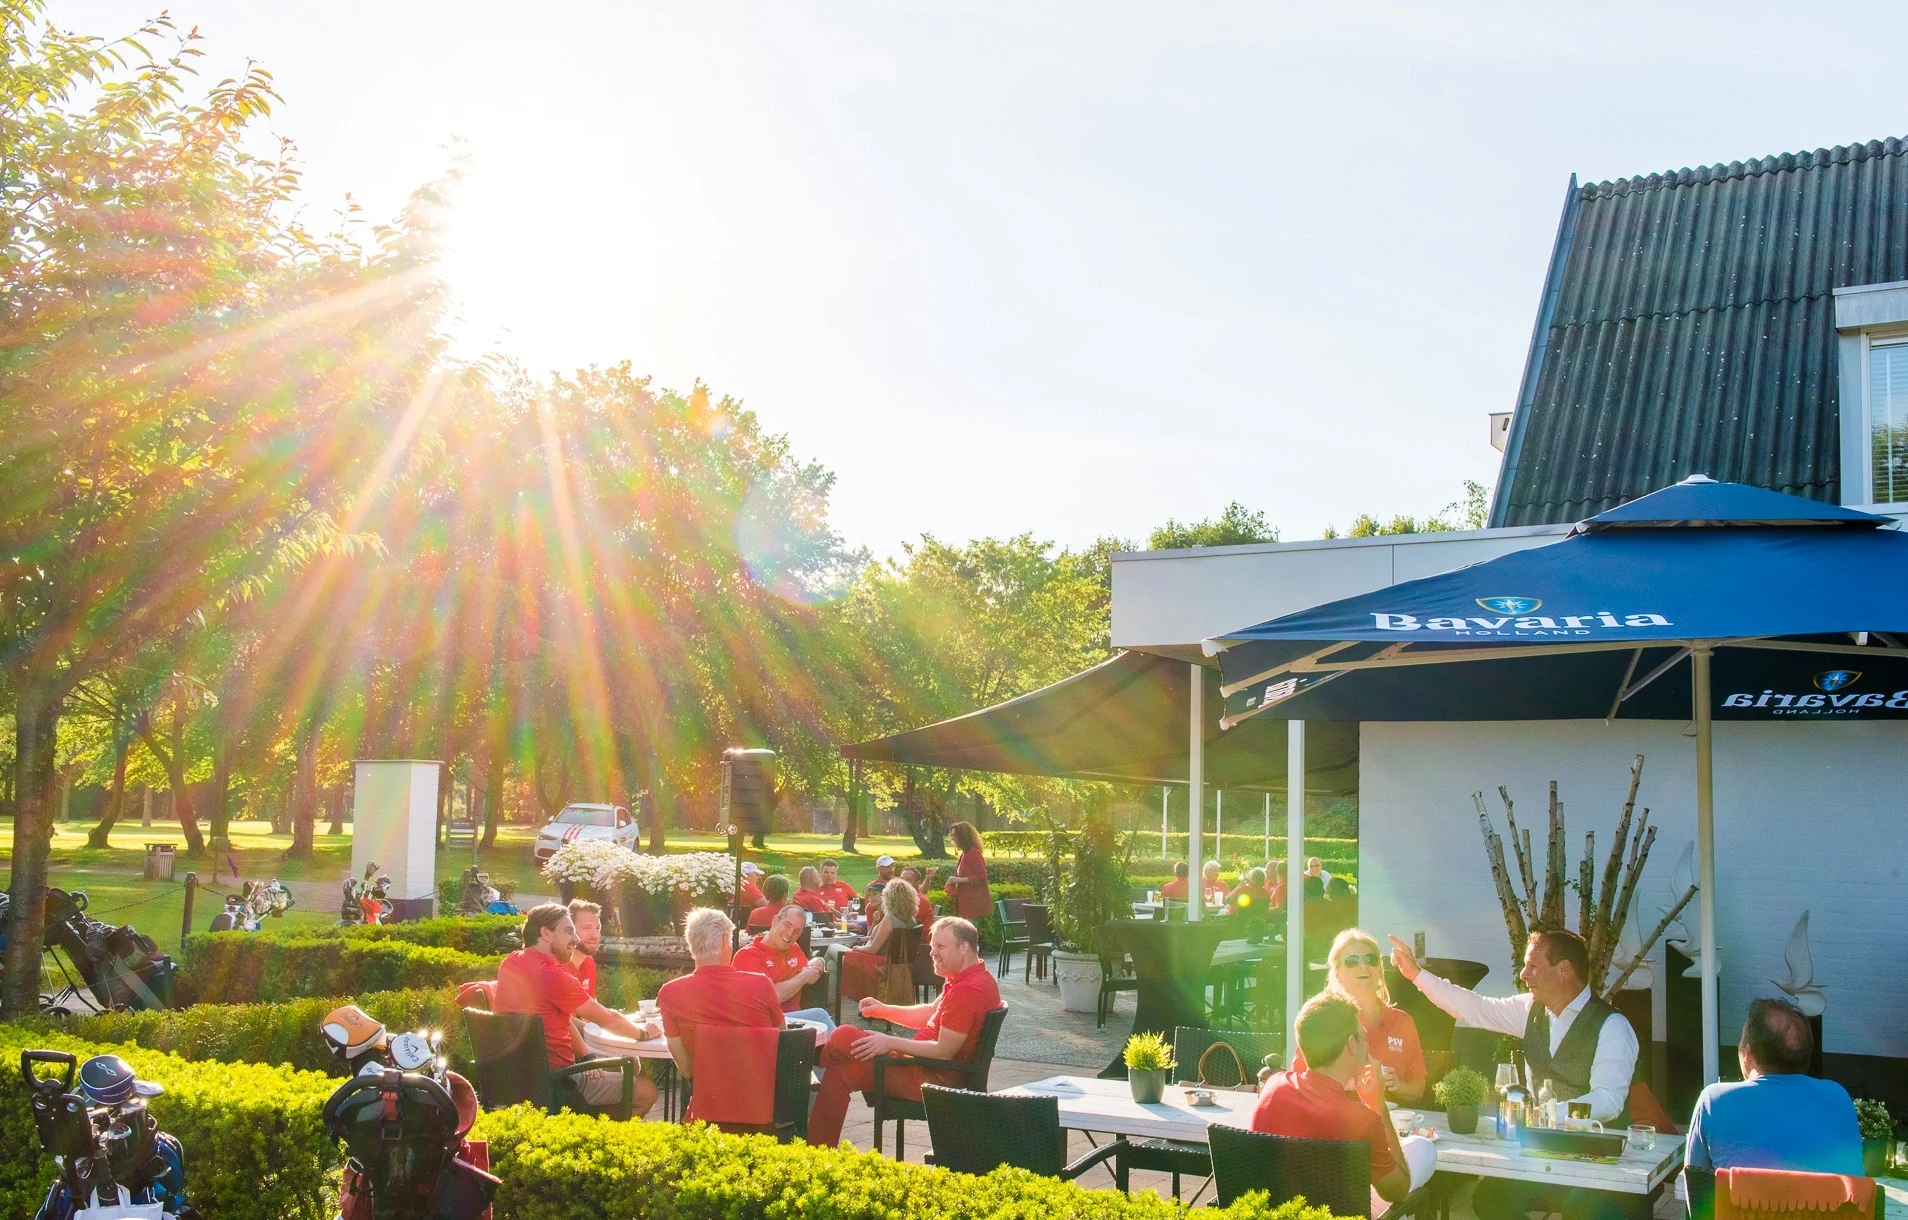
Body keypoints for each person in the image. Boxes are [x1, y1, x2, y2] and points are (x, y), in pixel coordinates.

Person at [1391, 929, 1640, 1220]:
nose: (1524, 974)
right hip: (1542, 1155)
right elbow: (1475, 1009)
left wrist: (1546, 1114)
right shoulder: (1529, 1010)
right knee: (1491, 1197)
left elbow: (1609, 1099)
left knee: (1581, 1208)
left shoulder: (1613, 1026)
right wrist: (1417, 975)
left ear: (1564, 970)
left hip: (1599, 1160)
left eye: (1533, 966)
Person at [807, 916, 1002, 1147]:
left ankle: (811, 1059)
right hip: (927, 1071)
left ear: (964, 948)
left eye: (940, 947)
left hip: (933, 1079)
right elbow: (930, 1012)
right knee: (841, 1072)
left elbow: (943, 1052)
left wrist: (890, 1042)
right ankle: (818, 1150)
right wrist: (884, 1010)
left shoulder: (968, 990)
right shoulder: (971, 979)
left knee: (843, 1035)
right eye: (932, 947)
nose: (931, 954)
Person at [1253, 993, 1435, 1202]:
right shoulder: (1362, 1121)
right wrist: (1379, 1106)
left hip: (1273, 1210)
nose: (1369, 1046)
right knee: (1424, 1150)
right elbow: (1397, 1191)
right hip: (1333, 1213)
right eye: (1364, 1038)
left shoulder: (1273, 1085)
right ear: (1352, 1044)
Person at [496, 903, 659, 1112]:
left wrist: (587, 1055)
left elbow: (560, 1019)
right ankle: (592, 1134)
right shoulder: (554, 977)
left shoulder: (510, 963)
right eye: (568, 931)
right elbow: (608, 1018)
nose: (575, 939)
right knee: (647, 1091)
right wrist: (644, 1033)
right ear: (546, 934)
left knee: (622, 1066)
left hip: (519, 1077)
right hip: (561, 1080)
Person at [1686, 996, 1862, 1174]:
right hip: (1823, 1202)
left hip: (1739, 1202)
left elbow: (1695, 1187)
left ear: (1748, 1053)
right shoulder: (1837, 1097)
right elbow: (1856, 1183)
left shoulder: (1714, 1101)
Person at [657, 908, 787, 1088]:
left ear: (691, 946)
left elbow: (686, 1070)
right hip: (763, 1101)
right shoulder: (761, 984)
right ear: (726, 941)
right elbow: (783, 1039)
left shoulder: (670, 993)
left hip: (707, 1104)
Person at [1292, 929, 1426, 1103]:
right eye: (1352, 961)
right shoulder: (1324, 1020)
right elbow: (1298, 1080)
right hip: (1334, 1120)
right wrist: (1341, 1083)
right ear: (1337, 973)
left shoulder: (1403, 1022)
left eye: (1370, 959)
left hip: (1389, 1122)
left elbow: (1419, 1088)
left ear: (1379, 969)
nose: (1363, 966)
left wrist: (1398, 1085)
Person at [733, 902, 836, 1029]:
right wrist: (803, 977)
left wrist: (818, 960)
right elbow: (772, 997)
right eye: (787, 925)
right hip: (765, 1025)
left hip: (795, 1021)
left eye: (797, 932)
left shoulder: (793, 948)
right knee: (820, 1016)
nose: (790, 934)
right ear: (775, 920)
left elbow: (808, 970)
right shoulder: (748, 955)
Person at [835, 878, 922, 1005]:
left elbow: (873, 949)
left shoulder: (890, 920)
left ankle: (831, 1004)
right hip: (895, 964)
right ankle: (830, 1002)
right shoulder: (911, 920)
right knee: (833, 963)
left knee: (833, 949)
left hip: (878, 964)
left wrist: (856, 949)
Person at [942, 821, 991, 921]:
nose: (952, 839)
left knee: (967, 931)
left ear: (963, 836)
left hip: (971, 903)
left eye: (954, 835)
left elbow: (982, 877)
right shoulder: (964, 854)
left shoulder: (973, 853)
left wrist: (959, 880)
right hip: (963, 902)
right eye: (951, 835)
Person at [564, 899, 602, 998]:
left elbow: (593, 1007)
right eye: (587, 928)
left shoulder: (588, 961)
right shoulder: (558, 967)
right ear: (569, 930)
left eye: (597, 928)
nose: (595, 935)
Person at [863, 856, 897, 921]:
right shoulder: (871, 887)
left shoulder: (899, 884)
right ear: (878, 869)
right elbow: (869, 910)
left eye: (892, 866)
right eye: (887, 867)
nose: (891, 869)